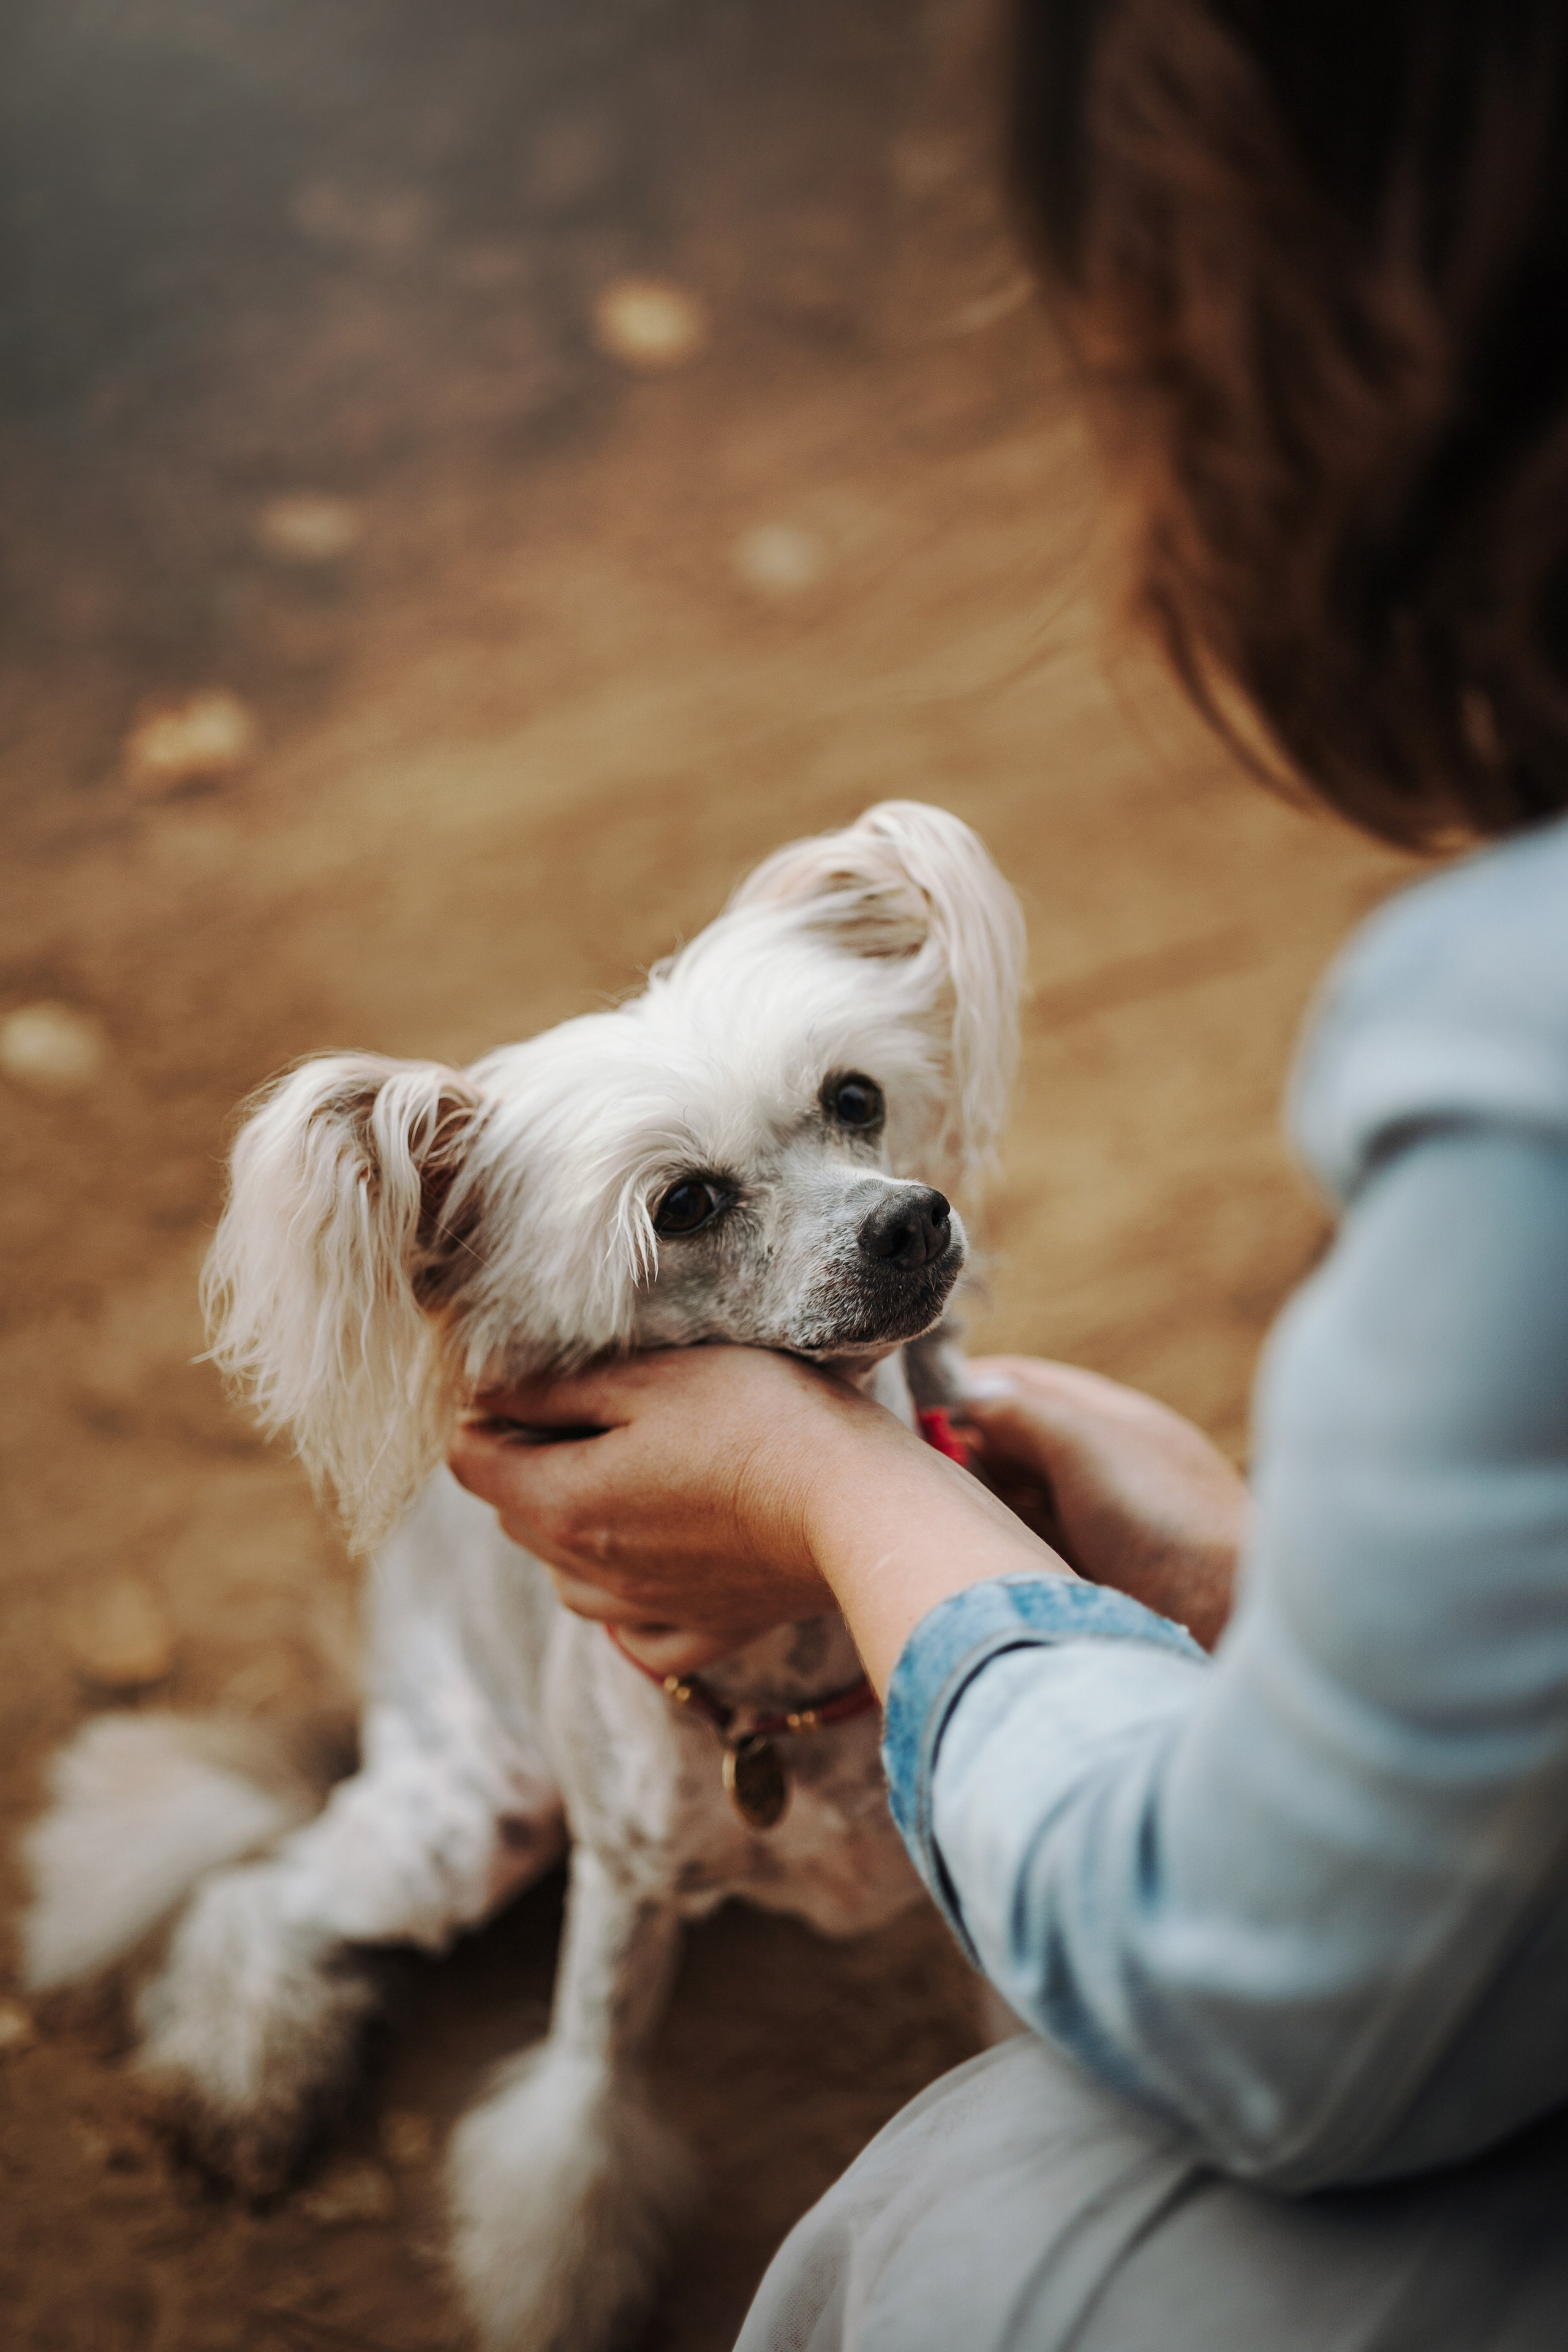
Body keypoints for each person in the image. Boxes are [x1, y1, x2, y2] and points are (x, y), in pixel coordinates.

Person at [449, 3, 1568, 2343]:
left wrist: (864, 1514)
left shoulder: (1512, 1065)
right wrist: (1259, 1571)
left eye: (860, 1117)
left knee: (960, 2211)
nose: (878, 1215)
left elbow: (1290, 2026)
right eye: (690, 1212)